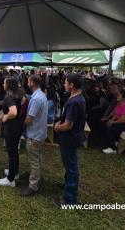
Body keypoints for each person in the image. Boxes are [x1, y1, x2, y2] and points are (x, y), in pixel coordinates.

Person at [54, 73, 86, 205]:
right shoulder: (77, 98)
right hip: (72, 137)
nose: (64, 84)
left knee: (72, 167)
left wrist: (57, 127)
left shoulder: (74, 101)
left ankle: (69, 199)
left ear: (72, 85)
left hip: (70, 138)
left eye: (66, 82)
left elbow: (68, 125)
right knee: (69, 164)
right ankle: (68, 184)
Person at [21, 74, 48, 197]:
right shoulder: (41, 95)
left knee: (34, 161)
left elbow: (29, 118)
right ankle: (36, 177)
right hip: (40, 133)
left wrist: (21, 124)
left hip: (34, 134)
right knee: (37, 158)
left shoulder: (36, 99)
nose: (27, 83)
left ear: (32, 82)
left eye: (28, 81)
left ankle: (33, 186)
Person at [0, 77, 23, 187]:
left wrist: (5, 118)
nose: (3, 83)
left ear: (8, 84)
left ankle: (10, 179)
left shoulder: (8, 97)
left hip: (11, 128)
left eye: (4, 82)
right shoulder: (19, 94)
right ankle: (15, 172)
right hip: (18, 126)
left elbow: (13, 112)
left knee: (11, 152)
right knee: (14, 151)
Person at [102, 90, 125, 155]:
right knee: (105, 124)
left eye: (119, 95)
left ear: (124, 98)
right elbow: (115, 114)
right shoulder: (119, 104)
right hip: (124, 123)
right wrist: (110, 120)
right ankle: (115, 142)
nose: (117, 96)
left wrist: (112, 122)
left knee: (111, 129)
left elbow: (124, 120)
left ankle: (113, 148)